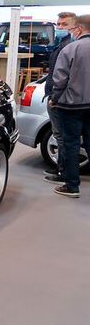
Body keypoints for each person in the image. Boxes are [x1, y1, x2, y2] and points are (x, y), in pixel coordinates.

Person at [50, 14, 90, 198]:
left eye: (72, 29)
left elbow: (60, 79)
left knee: (71, 144)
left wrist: (55, 98)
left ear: (79, 29)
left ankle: (72, 186)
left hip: (71, 105)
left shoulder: (71, 49)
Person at [44, 12, 77, 184]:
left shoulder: (69, 46)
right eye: (58, 24)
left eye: (64, 24)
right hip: (58, 97)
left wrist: (55, 98)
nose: (60, 28)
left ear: (74, 26)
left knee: (62, 137)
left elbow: (64, 77)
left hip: (60, 100)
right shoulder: (62, 44)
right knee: (61, 137)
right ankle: (62, 170)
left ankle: (63, 173)